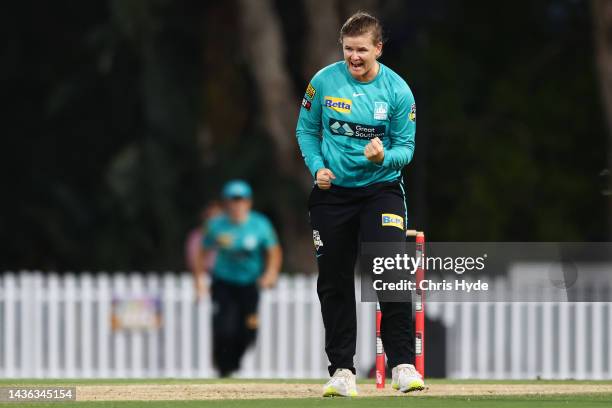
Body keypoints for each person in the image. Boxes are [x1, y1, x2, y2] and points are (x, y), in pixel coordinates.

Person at [295, 12, 423, 396]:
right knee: (334, 281)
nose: (354, 57)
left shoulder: (398, 91)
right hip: (332, 195)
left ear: (378, 49)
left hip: (380, 189)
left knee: (390, 271)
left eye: (361, 50)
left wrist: (383, 157)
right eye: (348, 49)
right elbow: (306, 129)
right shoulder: (323, 82)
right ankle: (342, 372)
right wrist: (317, 167)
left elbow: (407, 149)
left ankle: (402, 366)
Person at [192, 180, 282, 377]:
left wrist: (271, 273)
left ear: (248, 202)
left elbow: (273, 251)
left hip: (250, 284)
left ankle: (233, 363)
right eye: (233, 200)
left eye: (241, 200)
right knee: (224, 328)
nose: (237, 205)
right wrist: (199, 280)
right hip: (224, 283)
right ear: (226, 203)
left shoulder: (260, 225)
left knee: (248, 331)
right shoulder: (215, 226)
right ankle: (224, 367)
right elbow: (201, 252)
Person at [185, 201, 223, 275]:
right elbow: (193, 262)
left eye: (218, 217)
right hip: (203, 275)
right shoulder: (196, 236)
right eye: (211, 216)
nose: (214, 220)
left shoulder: (229, 235)